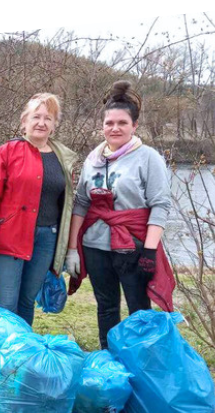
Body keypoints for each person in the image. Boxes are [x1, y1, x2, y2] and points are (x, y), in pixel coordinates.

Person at [66, 81, 174, 349]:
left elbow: (160, 205)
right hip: (95, 245)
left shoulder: (148, 158)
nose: (114, 128)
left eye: (122, 123)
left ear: (134, 125)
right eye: (109, 123)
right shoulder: (92, 158)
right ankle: (110, 361)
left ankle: (141, 362)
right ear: (102, 125)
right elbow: (81, 203)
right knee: (106, 306)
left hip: (133, 246)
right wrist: (72, 250)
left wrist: (149, 251)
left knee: (138, 309)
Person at [0, 93, 78, 325]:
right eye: (36, 117)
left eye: (48, 118)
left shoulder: (63, 158)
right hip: (10, 237)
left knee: (26, 300)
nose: (42, 123)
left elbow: (69, 204)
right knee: (7, 303)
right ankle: (2, 357)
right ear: (24, 121)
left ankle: (21, 353)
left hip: (47, 238)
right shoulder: (7, 152)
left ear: (54, 125)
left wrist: (70, 248)